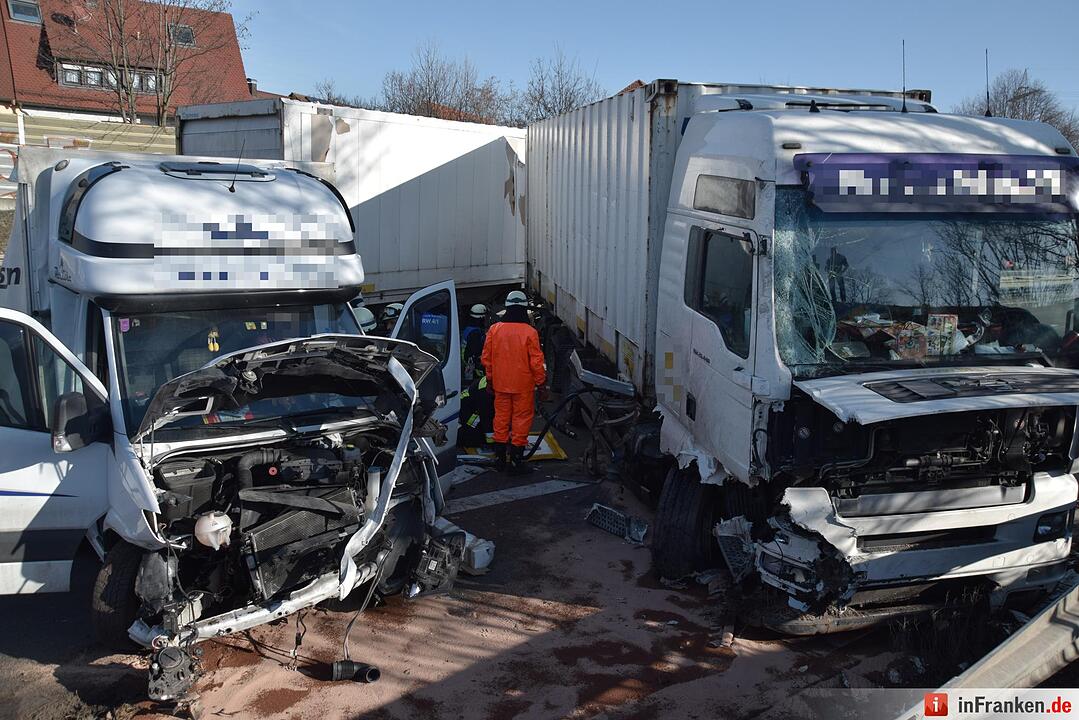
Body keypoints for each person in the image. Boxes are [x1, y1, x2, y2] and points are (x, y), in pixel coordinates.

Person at [481, 291, 546, 473]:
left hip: (501, 385)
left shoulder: (495, 330)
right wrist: (541, 384)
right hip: (523, 386)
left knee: (501, 418)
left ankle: (500, 458)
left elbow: (487, 358)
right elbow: (536, 362)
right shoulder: (530, 332)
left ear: (507, 307)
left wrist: (490, 380)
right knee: (521, 419)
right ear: (524, 308)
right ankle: (516, 460)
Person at [462, 304, 488, 383]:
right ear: (481, 318)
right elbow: (475, 351)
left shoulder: (468, 328)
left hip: (465, 361)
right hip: (471, 365)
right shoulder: (475, 333)